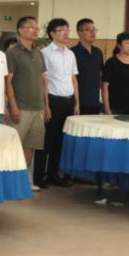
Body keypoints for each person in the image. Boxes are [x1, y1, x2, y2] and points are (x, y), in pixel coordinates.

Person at [5, 17, 47, 187]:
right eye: (30, 27)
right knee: (14, 146)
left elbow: (43, 80)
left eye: (36, 28)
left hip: (38, 108)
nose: (35, 30)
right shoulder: (12, 53)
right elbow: (8, 81)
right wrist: (13, 106)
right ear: (20, 30)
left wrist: (46, 106)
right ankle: (9, 183)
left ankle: (20, 182)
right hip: (21, 108)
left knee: (30, 146)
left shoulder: (39, 53)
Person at [39, 18, 79, 188]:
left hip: (68, 101)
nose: (66, 33)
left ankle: (54, 174)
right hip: (53, 101)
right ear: (52, 34)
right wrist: (46, 105)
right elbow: (43, 81)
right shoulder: (45, 53)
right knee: (47, 141)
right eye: (62, 29)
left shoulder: (70, 54)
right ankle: (40, 177)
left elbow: (73, 79)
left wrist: (77, 103)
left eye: (67, 29)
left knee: (60, 142)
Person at [102, 32, 129, 116]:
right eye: (127, 43)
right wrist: (107, 108)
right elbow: (105, 86)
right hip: (115, 107)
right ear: (119, 45)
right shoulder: (111, 62)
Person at [72, 19, 104, 115]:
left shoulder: (98, 52)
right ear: (79, 33)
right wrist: (76, 103)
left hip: (95, 102)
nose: (93, 32)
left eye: (94, 30)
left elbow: (101, 75)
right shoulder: (72, 53)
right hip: (77, 104)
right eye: (88, 30)